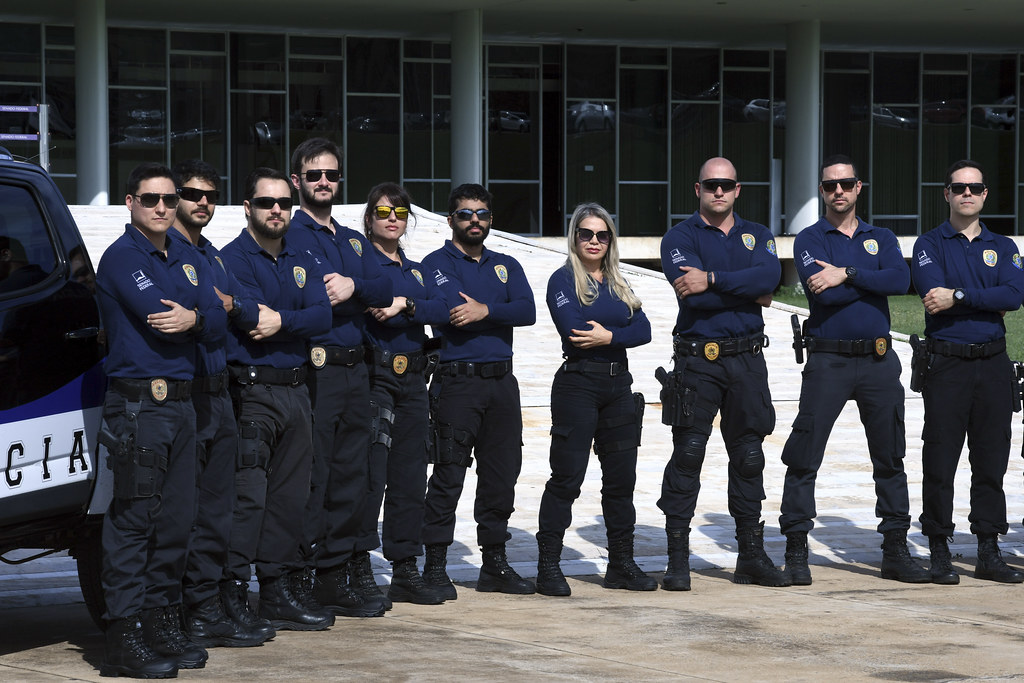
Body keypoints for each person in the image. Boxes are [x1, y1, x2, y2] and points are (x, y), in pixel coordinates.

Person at [95, 162, 226, 677]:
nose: (162, 208)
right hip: (139, 407)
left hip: (183, 403)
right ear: (130, 203)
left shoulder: (185, 257)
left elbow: (218, 317)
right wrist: (200, 318)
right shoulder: (125, 257)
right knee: (133, 522)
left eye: (169, 200)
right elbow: (160, 317)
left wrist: (198, 316)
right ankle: (124, 637)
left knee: (176, 520)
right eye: (151, 200)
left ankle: (160, 621)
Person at [779, 155, 928, 585]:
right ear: (822, 191)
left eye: (846, 184)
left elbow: (901, 282)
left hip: (880, 362)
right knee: (805, 455)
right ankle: (796, 546)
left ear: (859, 187)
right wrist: (868, 280)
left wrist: (846, 272)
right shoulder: (810, 239)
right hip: (829, 360)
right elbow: (822, 297)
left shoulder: (879, 236)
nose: (838, 191)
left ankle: (896, 549)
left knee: (890, 456)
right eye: (830, 186)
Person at [657, 156, 789, 591]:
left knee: (750, 458)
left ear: (738, 190)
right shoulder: (679, 237)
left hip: (747, 361)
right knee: (689, 453)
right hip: (698, 362)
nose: (719, 191)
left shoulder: (759, 235)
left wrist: (711, 278)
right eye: (711, 184)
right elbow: (692, 300)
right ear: (697, 189)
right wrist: (749, 291)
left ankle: (750, 556)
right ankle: (677, 559)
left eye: (726, 185)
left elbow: (771, 275)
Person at [219, 167, 335, 631]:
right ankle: (232, 592)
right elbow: (251, 322)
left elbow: (323, 315)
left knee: (290, 498)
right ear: (248, 208)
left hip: (297, 389)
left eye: (284, 204)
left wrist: (283, 322)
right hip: (252, 392)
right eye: (267, 203)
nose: (276, 211)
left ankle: (277, 590)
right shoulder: (233, 259)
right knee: (249, 498)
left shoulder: (302, 255)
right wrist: (295, 318)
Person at [285, 138, 393, 617]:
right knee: (315, 476)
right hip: (317, 369)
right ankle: (301, 577)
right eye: (314, 175)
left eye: (330, 174)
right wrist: (357, 291)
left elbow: (385, 284)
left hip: (357, 369)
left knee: (352, 476)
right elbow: (315, 295)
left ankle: (335, 575)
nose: (323, 182)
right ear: (297, 182)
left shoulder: (351, 237)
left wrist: (354, 285)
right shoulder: (291, 235)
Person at [169, 159, 270, 646]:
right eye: (192, 193)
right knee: (178, 514)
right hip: (179, 399)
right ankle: (179, 611)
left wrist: (220, 307)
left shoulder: (215, 257)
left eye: (210, 195)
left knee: (217, 512)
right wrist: (221, 309)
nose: (202, 202)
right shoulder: (162, 254)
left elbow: (243, 310)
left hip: (219, 395)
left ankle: (207, 606)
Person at [420, 183, 537, 598]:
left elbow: (527, 310)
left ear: (491, 220)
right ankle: (434, 565)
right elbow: (453, 308)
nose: (475, 220)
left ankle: (494, 564)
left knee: (501, 477)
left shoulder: (507, 264)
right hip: (457, 383)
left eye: (482, 214)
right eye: (466, 213)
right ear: (451, 219)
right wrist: (492, 310)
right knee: (448, 475)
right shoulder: (435, 263)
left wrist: (486, 309)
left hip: (502, 383)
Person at [910, 159, 1024, 585]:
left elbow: (1013, 296)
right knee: (940, 458)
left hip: (993, 363)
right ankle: (938, 547)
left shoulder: (1005, 246)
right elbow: (930, 295)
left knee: (991, 459)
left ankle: (989, 550)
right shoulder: (928, 244)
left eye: (975, 188)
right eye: (959, 188)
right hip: (948, 363)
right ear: (946, 194)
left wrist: (958, 293)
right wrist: (982, 296)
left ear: (985, 194)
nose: (967, 195)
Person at [536, 203, 654, 597]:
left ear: (610, 240)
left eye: (602, 235)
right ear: (574, 237)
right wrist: (615, 332)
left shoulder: (618, 281)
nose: (593, 241)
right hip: (578, 387)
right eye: (586, 234)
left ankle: (621, 565)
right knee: (567, 479)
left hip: (619, 388)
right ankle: (548, 566)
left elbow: (646, 329)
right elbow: (575, 330)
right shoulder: (562, 279)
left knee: (621, 483)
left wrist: (611, 337)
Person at [361, 183, 451, 604]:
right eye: (382, 210)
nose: (391, 217)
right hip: (375, 379)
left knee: (411, 478)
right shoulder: (361, 262)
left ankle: (404, 569)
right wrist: (405, 306)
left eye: (399, 210)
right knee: (371, 476)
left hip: (415, 380)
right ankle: (357, 566)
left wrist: (406, 305)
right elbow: (375, 312)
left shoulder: (418, 270)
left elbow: (444, 310)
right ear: (369, 219)